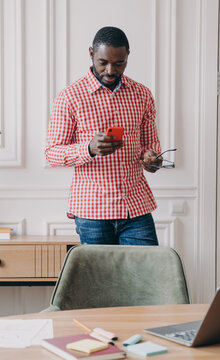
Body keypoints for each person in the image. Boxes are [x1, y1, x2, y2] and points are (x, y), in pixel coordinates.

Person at [45, 26, 164, 245]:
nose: (110, 70)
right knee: (99, 280)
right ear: (91, 54)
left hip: (135, 207)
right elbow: (52, 153)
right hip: (92, 210)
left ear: (128, 56)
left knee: (147, 276)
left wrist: (151, 159)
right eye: (103, 62)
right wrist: (88, 149)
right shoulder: (69, 97)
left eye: (119, 63)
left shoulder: (142, 94)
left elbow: (150, 146)